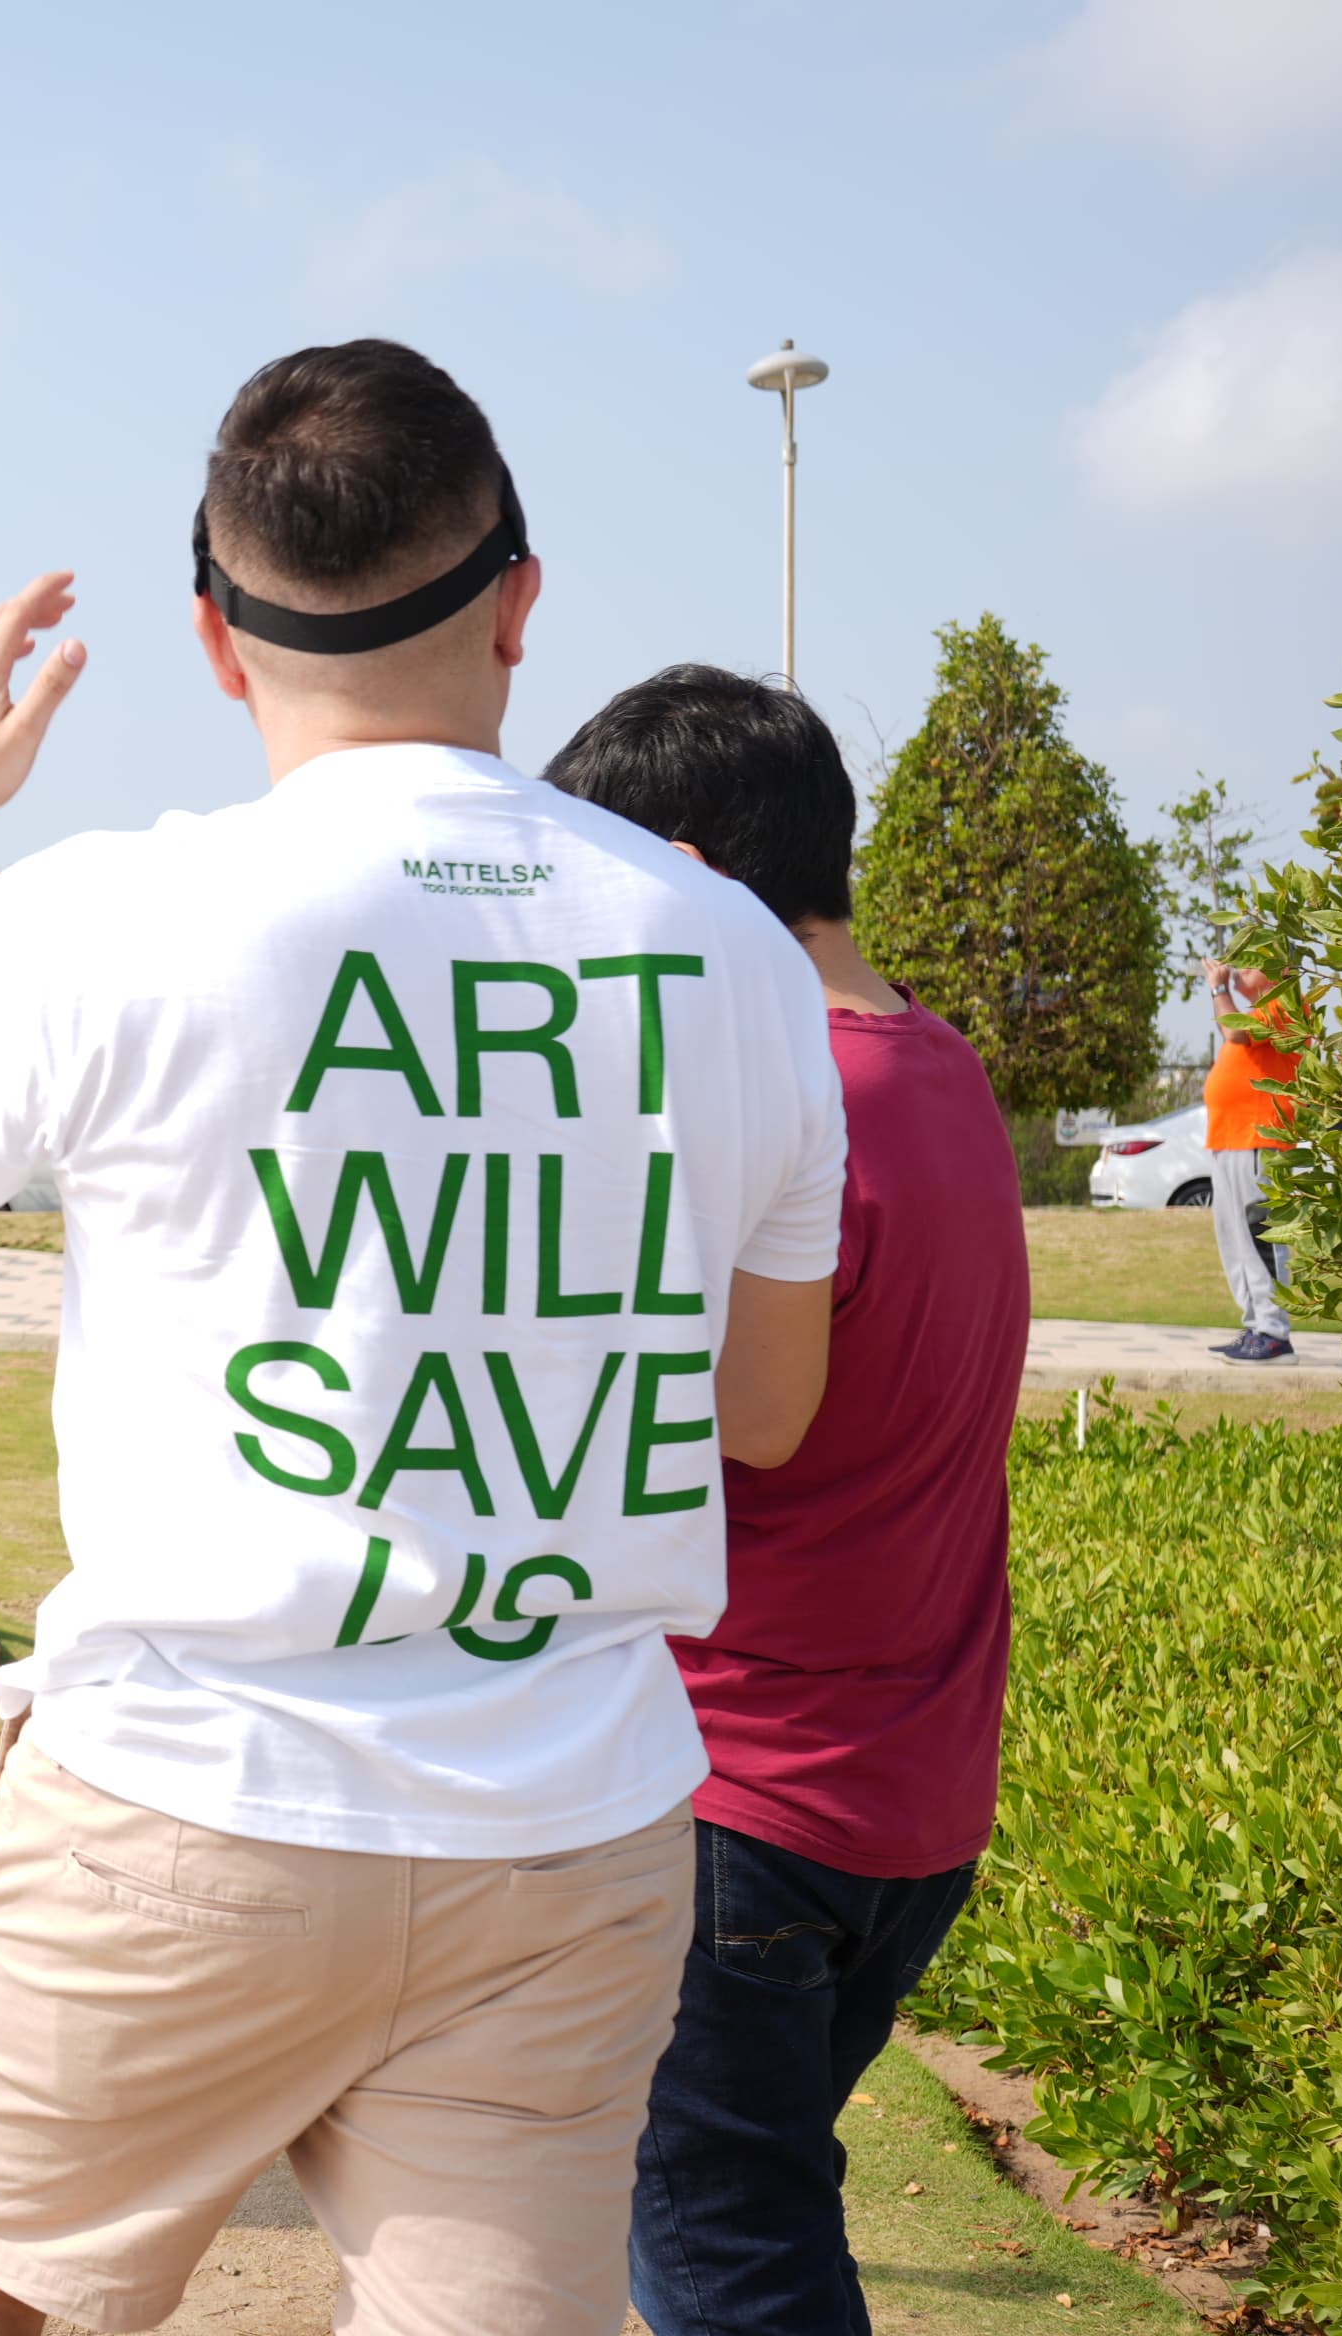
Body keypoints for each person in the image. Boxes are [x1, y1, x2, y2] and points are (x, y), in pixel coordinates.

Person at [0, 341, 847, 2336]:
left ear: (213, 636)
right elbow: (764, 1411)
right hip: (570, 1821)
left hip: (186, 1787)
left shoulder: (118, 917)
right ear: (522, 599)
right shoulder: (734, 954)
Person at [545, 667, 1025, 2336]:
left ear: (681, 874)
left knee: (721, 2256)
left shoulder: (767, 1105)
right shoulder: (940, 1072)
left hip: (741, 1804)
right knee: (734, 2215)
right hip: (908, 1795)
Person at [1197, 954, 1300, 1365]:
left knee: (1261, 1237)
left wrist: (1220, 989)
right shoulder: (1261, 1009)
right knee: (1236, 1240)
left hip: (1259, 1138)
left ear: (1281, 972)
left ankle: (1275, 1334)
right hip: (1233, 1140)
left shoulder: (1285, 1005)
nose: (1239, 970)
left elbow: (1234, 1034)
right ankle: (1258, 1326)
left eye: (1251, 965)